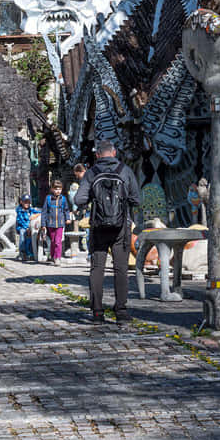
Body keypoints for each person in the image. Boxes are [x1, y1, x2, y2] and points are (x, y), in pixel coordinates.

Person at [74, 139, 140, 324]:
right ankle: (121, 310)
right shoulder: (125, 171)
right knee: (121, 269)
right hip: (121, 227)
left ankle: (97, 312)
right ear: (115, 152)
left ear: (97, 155)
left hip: (98, 226)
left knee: (97, 268)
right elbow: (136, 199)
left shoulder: (92, 172)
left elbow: (79, 200)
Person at [41, 180, 71, 264]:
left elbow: (66, 210)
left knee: (58, 241)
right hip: (50, 224)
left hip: (60, 224)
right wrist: (43, 224)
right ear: (52, 189)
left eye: (59, 189)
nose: (58, 191)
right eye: (56, 189)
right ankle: (52, 255)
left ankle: (58, 257)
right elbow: (44, 212)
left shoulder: (63, 199)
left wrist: (67, 218)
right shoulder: (48, 198)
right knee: (53, 241)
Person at [14, 194, 34, 261]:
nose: (27, 204)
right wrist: (27, 228)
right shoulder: (19, 211)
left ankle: (32, 253)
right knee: (23, 232)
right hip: (22, 228)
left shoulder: (31, 210)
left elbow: (39, 212)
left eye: (28, 202)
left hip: (30, 228)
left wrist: (37, 215)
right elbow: (21, 221)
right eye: (25, 202)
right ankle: (22, 252)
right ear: (21, 202)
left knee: (33, 234)